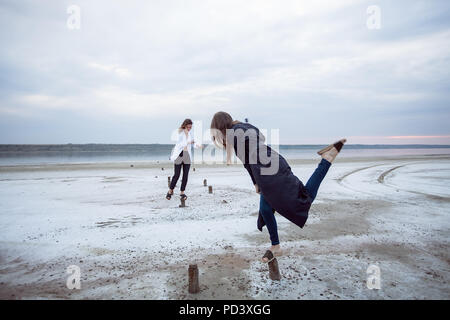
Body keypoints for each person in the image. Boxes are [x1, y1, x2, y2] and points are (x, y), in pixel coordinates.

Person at [210, 111, 346, 261]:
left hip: (266, 171)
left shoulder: (232, 135)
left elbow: (246, 162)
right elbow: (261, 138)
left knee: (304, 199)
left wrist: (255, 182)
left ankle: (327, 159)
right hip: (274, 160)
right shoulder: (244, 127)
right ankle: (276, 246)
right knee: (266, 209)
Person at [166, 119, 201, 201]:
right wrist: (189, 142)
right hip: (179, 155)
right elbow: (179, 144)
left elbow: (192, 144)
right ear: (185, 125)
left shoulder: (190, 134)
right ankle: (170, 191)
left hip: (187, 156)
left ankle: (182, 192)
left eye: (190, 127)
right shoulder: (180, 133)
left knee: (185, 175)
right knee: (176, 175)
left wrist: (197, 145)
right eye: (188, 127)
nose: (189, 128)